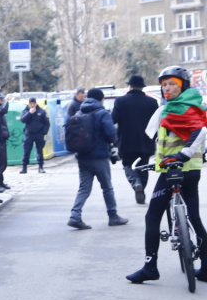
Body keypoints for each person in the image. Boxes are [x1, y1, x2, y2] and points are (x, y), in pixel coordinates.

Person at [127, 66, 207, 283]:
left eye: (172, 83)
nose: (167, 88)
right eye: (164, 85)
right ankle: (206, 267)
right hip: (188, 170)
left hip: (178, 169)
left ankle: (150, 267)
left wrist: (183, 154)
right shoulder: (185, 105)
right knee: (195, 217)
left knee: (152, 216)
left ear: (183, 86)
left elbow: (200, 130)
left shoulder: (181, 108)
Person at [67, 88, 129, 230]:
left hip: (82, 156)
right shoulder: (102, 113)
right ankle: (113, 216)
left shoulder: (80, 112)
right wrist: (114, 142)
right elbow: (111, 134)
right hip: (99, 156)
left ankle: (75, 216)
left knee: (84, 188)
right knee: (107, 187)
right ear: (101, 99)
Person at [112, 74, 159, 204]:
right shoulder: (152, 102)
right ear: (142, 87)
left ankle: (135, 182)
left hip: (126, 141)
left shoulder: (120, 101)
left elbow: (113, 119)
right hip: (146, 141)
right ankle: (141, 189)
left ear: (130, 86)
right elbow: (157, 123)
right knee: (143, 167)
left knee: (127, 165)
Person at [19, 98, 51, 174]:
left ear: (36, 104)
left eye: (34, 103)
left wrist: (44, 133)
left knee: (40, 151)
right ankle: (24, 167)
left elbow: (47, 123)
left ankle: (40, 167)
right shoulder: (25, 111)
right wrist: (30, 113)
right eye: (31, 104)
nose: (32, 105)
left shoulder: (41, 111)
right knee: (26, 151)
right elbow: (23, 120)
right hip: (29, 134)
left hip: (39, 134)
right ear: (29, 104)